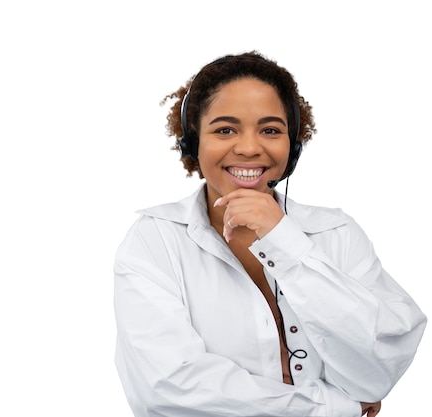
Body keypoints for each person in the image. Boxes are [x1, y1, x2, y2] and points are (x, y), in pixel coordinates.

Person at [113, 51, 427, 417]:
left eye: (270, 130)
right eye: (225, 129)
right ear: (192, 143)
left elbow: (380, 366)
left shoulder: (337, 233)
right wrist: (335, 408)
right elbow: (168, 389)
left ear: (292, 147)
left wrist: (285, 241)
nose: (249, 148)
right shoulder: (154, 241)